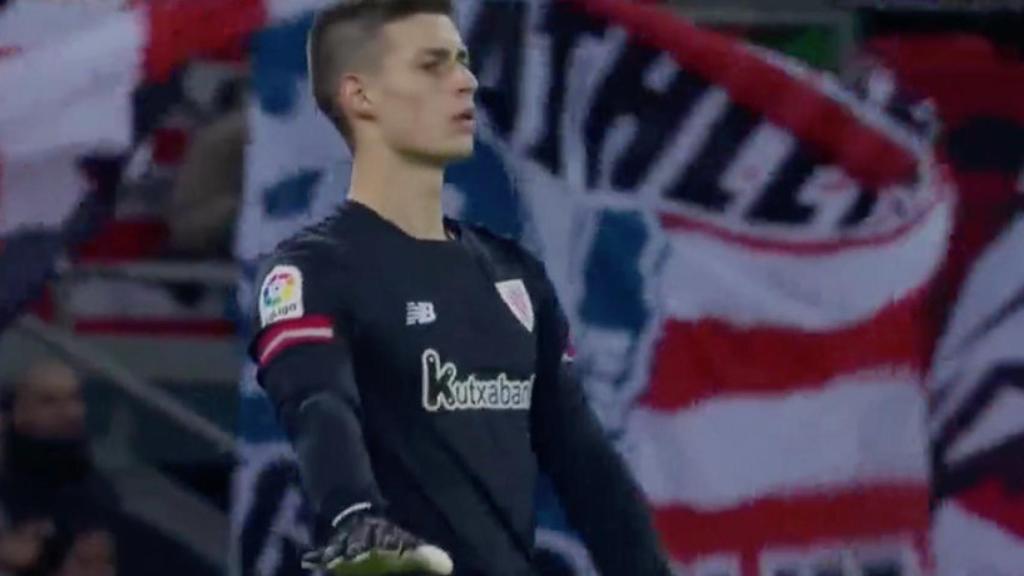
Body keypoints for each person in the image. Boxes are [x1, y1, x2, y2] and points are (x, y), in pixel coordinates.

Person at [248, 1, 672, 575]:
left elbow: (588, 466)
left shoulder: (515, 274)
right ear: (360, 96)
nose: (465, 81)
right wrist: (357, 519)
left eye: (463, 62)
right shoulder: (309, 272)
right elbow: (319, 405)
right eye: (432, 65)